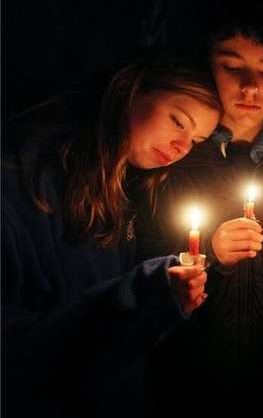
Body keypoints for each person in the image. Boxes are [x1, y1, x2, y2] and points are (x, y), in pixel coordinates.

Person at [1, 57, 221, 418]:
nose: (182, 146)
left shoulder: (124, 194)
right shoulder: (20, 186)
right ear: (130, 90)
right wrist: (143, 294)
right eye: (179, 121)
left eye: (196, 141)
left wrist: (161, 299)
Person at [142, 0, 263, 417]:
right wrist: (208, 252)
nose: (250, 87)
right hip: (184, 383)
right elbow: (137, 263)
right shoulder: (173, 158)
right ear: (208, 63)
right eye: (232, 67)